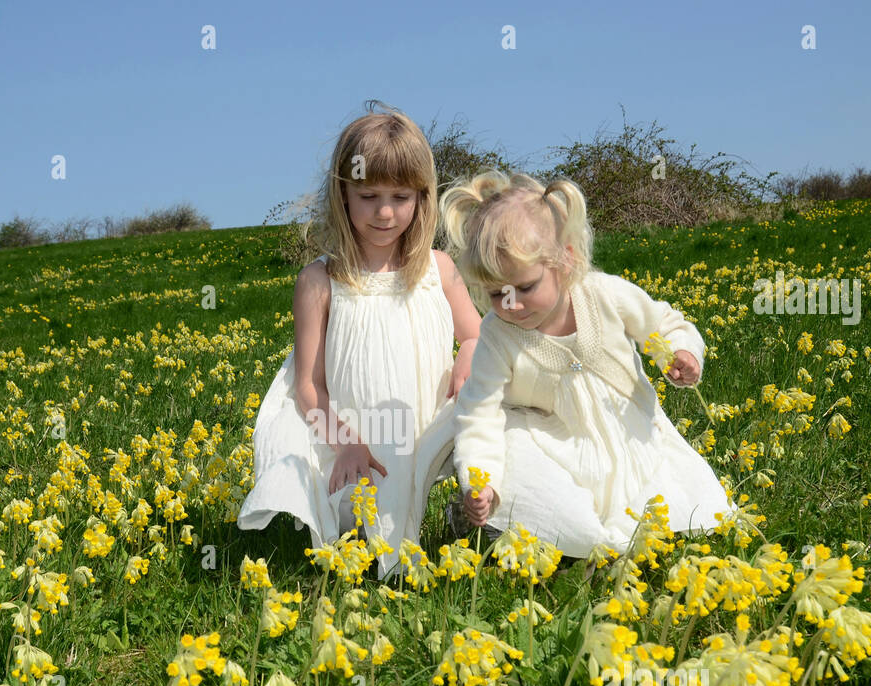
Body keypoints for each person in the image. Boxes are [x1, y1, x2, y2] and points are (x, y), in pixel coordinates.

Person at [238, 104, 482, 579]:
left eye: (401, 196)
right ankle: (364, 536)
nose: (386, 212)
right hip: (358, 439)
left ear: (423, 198)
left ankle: (468, 511)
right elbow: (308, 386)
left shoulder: (439, 270)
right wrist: (345, 443)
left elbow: (475, 334)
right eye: (368, 195)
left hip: (432, 431)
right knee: (361, 526)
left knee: (501, 413)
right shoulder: (321, 281)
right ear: (342, 195)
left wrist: (468, 356)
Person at [441, 170, 738, 557]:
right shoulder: (497, 336)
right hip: (549, 441)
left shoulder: (605, 295)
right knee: (566, 520)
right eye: (498, 294)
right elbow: (478, 413)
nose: (511, 304)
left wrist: (680, 352)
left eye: (526, 287)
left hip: (629, 435)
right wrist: (479, 479)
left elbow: (664, 324)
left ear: (566, 259)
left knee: (695, 510)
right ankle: (489, 520)